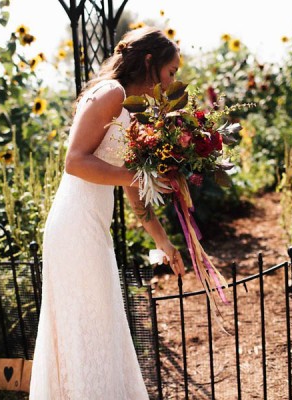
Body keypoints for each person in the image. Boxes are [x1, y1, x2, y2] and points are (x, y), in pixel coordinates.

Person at [29, 27, 185, 399]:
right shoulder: (111, 93)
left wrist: (165, 243)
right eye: (171, 71)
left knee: (100, 325)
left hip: (91, 227)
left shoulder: (131, 106)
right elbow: (74, 162)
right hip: (74, 225)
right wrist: (138, 173)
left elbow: (133, 190)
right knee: (88, 326)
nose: (173, 81)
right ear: (149, 62)